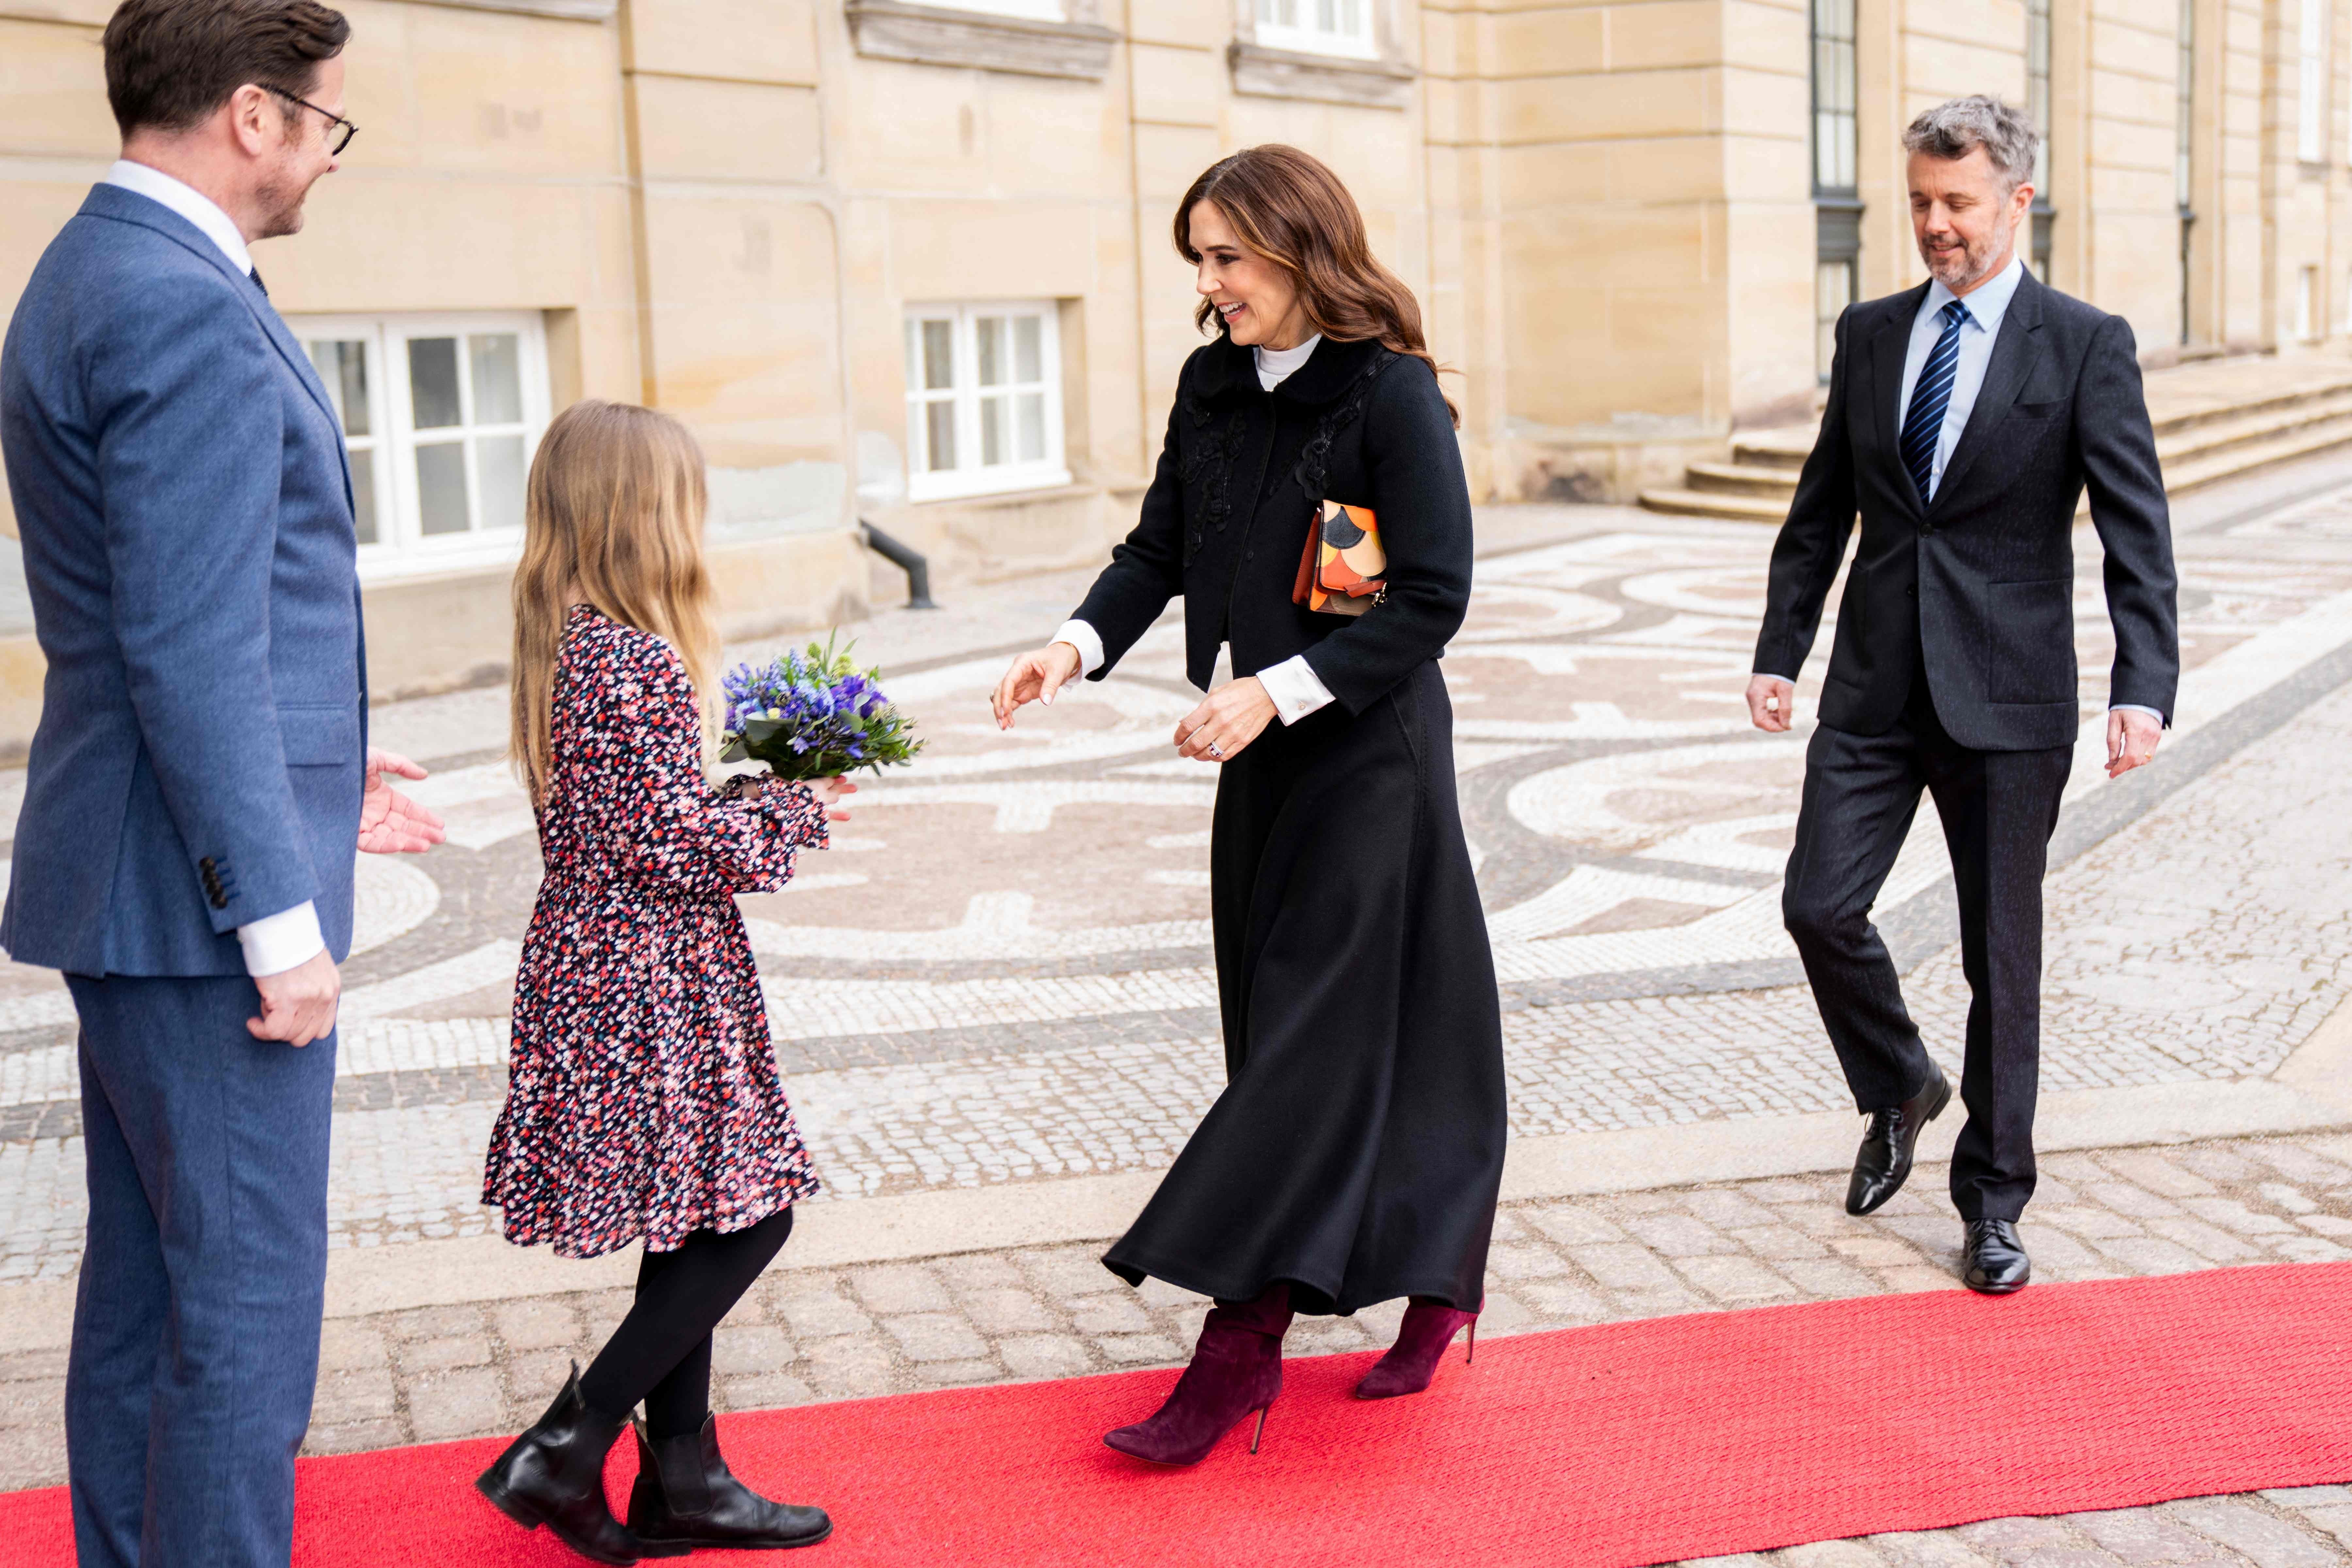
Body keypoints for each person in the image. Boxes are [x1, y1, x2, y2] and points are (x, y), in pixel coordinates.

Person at [0, 2, 451, 1564]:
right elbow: (186, 649)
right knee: (247, 1302)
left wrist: (324, 736)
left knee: (150, 1293)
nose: (328, 154)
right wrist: (277, 919)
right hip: (194, 910)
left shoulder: (94, 265)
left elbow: (179, 616)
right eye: (328, 122)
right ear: (254, 116)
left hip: (126, 867)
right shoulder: (179, 299)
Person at [990, 145, 1505, 1466]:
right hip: (1257, 757)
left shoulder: (1393, 397)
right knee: (1309, 1032)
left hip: (1367, 757)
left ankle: (1239, 1348)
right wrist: (1072, 645)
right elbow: (1159, 546)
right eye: (1200, 261)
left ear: (1300, 249)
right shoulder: (1212, 384)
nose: (1212, 286)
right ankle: (1440, 1279)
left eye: (1229, 258)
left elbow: (1431, 598)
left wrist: (1279, 692)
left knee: (1306, 1055)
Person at [1748, 96, 2178, 1295]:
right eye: (1921, 203)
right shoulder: (1874, 331)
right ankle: (1900, 1083)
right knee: (1817, 908)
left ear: (2018, 202)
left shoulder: (2085, 343)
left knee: (2004, 960)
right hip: (1878, 685)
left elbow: (2136, 536)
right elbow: (1822, 505)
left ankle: (1994, 1200)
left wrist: (2143, 687)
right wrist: (1782, 647)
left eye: (1958, 205)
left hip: (2011, 698)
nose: (1935, 227)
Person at [474, 400, 843, 1563]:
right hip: (647, 979)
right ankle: (568, 1445)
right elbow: (666, 848)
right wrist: (793, 808)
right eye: (685, 495)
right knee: (751, 1217)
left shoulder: (565, 640)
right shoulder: (630, 657)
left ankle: (686, 1480)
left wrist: (739, 801)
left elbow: (633, 824)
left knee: (690, 1219)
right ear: (643, 512)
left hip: (600, 964)